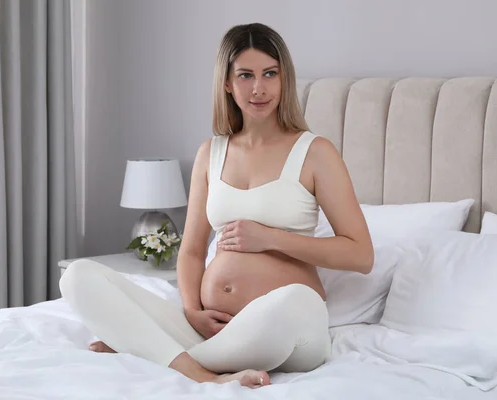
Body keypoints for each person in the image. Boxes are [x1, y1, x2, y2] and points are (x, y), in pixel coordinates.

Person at [59, 22, 373, 389]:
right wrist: (192, 312)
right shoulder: (211, 153)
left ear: (284, 79)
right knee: (78, 277)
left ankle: (150, 348)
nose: (259, 88)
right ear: (226, 82)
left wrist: (270, 238)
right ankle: (199, 368)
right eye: (245, 75)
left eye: (270, 74)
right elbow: (191, 251)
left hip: (291, 329)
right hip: (211, 329)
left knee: (294, 301)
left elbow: (360, 255)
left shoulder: (315, 152)